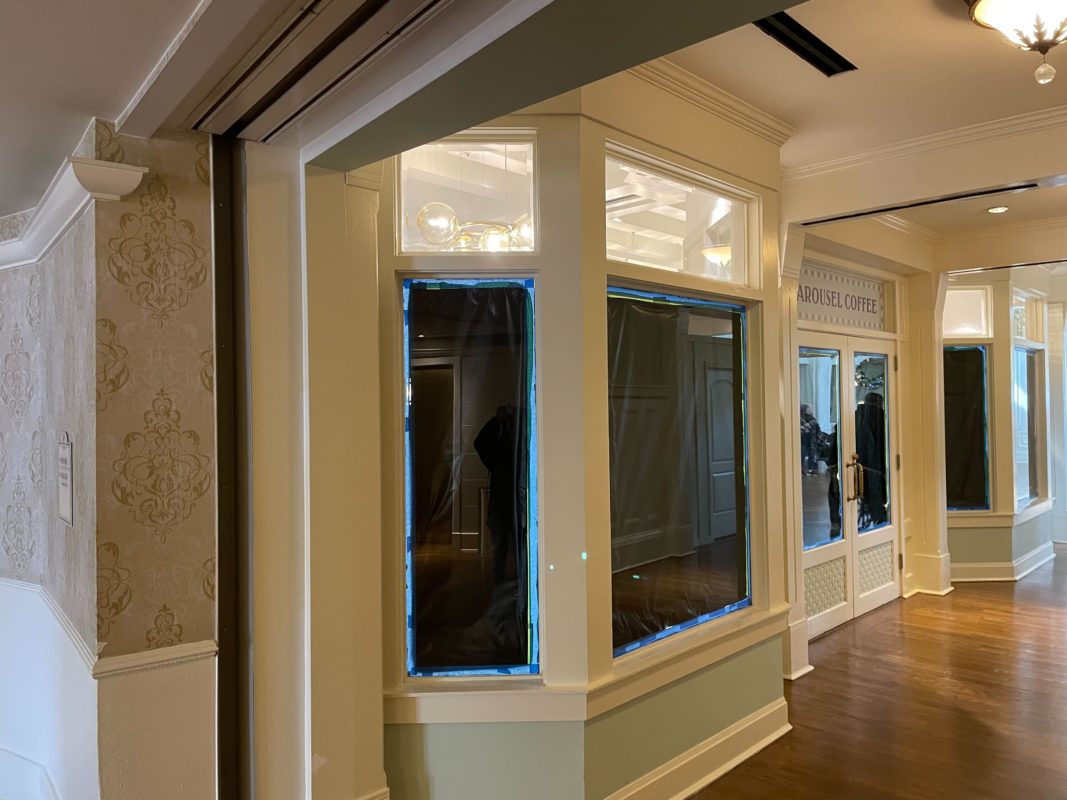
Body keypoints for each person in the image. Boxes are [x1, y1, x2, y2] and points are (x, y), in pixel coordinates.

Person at [855, 392, 888, 528]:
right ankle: (880, 523)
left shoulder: (855, 416)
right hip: (876, 468)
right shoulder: (881, 418)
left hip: (858, 467)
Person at [799, 404, 822, 474]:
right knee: (802, 456)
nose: (811, 410)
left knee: (812, 455)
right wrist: (803, 427)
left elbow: (817, 429)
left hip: (811, 440)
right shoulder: (800, 419)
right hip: (803, 440)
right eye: (809, 408)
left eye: (811, 408)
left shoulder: (813, 419)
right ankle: (802, 470)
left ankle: (812, 469)